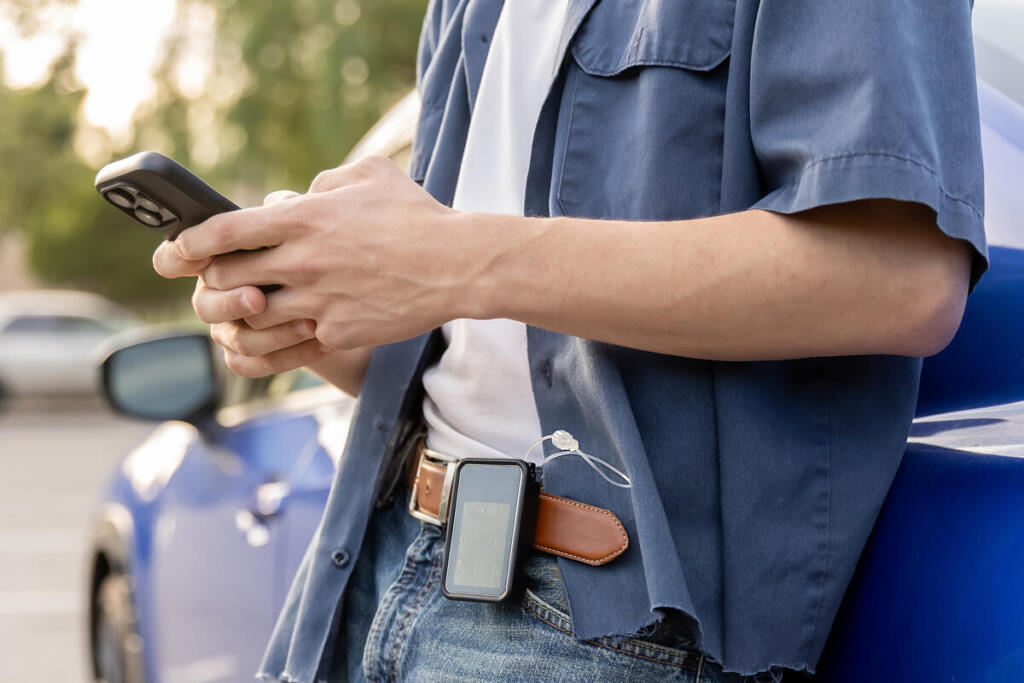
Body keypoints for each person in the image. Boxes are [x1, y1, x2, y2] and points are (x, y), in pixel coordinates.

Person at [153, 0, 986, 680]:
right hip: (375, 558)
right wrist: (316, 316)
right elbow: (488, 344)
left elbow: (900, 276)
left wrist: (452, 259)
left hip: (603, 621)